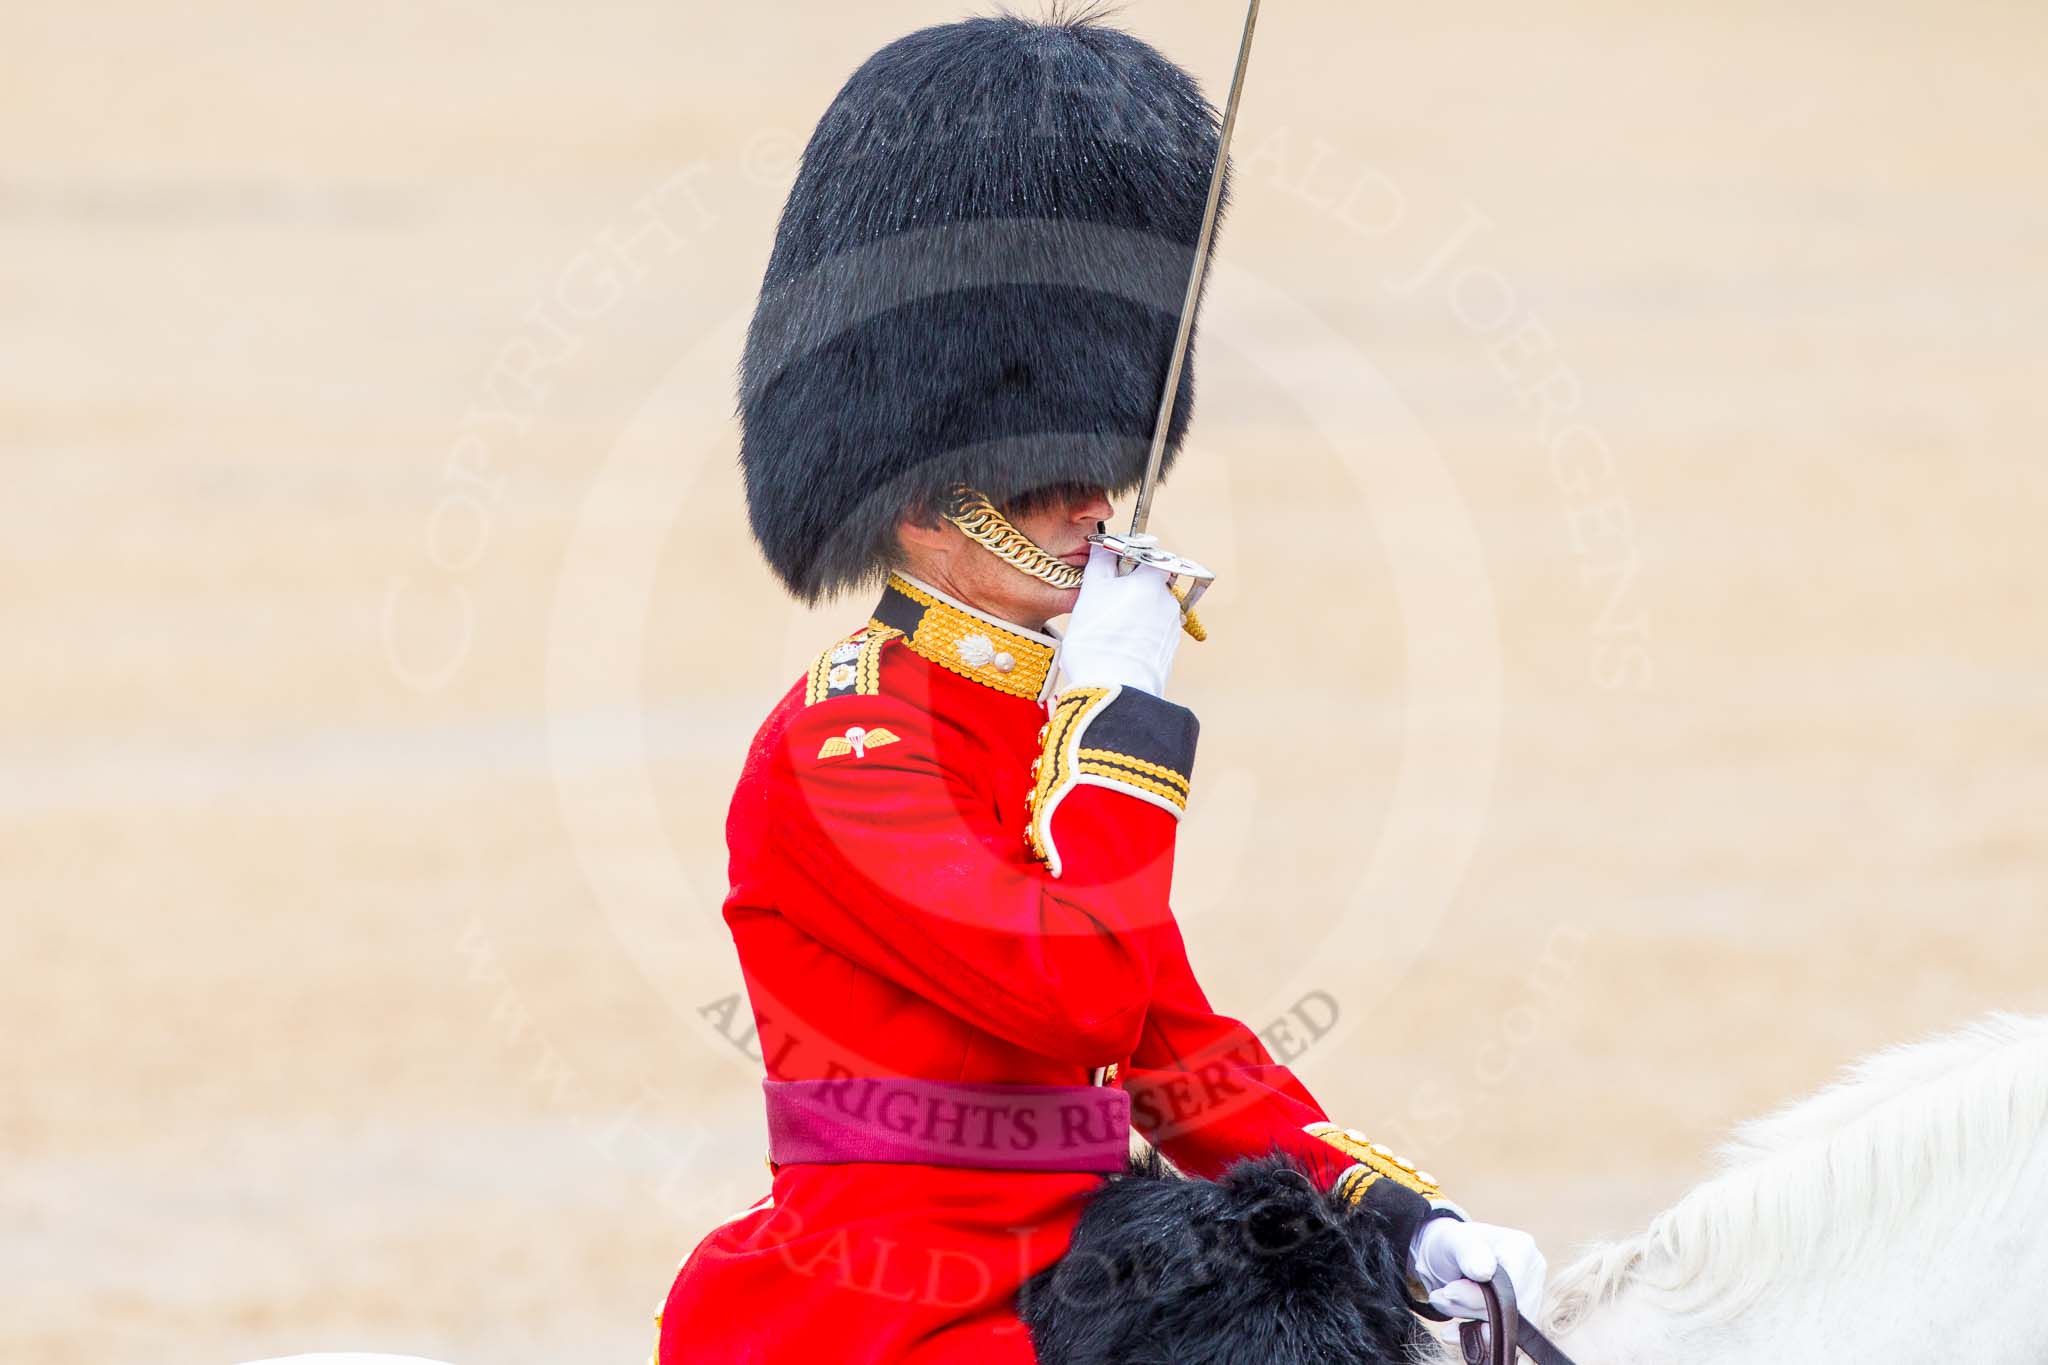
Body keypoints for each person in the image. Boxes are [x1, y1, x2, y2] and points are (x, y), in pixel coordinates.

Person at [656, 13, 1544, 1363]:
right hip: (899, 1305)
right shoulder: (846, 744)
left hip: (1084, 1256)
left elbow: (1174, 1043)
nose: (1089, 499)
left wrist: (1395, 1209)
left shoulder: (1027, 712)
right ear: (919, 505)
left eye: (1095, 461)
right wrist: (1123, 712)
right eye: (1038, 480)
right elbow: (1074, 997)